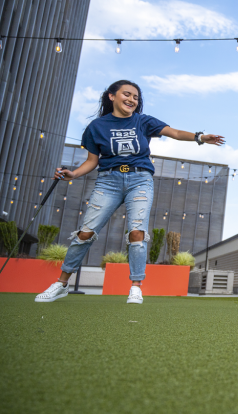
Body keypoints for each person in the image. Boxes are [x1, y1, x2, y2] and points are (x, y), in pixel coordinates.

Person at [35, 80, 224, 304]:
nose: (132, 100)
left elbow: (173, 132)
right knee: (85, 232)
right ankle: (62, 283)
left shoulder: (142, 121)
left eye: (136, 97)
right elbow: (92, 161)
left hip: (140, 179)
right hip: (108, 181)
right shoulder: (96, 127)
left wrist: (199, 137)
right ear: (111, 96)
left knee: (137, 232)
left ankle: (135, 286)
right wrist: (73, 174)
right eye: (127, 94)